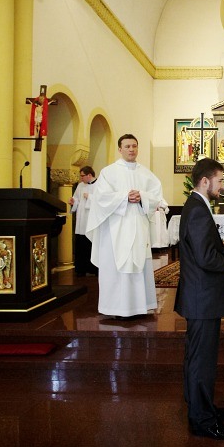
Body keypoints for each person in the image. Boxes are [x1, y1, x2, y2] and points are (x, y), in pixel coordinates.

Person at [175, 157, 224, 440]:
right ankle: (203, 421)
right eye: (220, 180)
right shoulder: (199, 210)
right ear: (206, 181)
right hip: (203, 298)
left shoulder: (195, 206)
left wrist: (218, 246)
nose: (222, 185)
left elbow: (201, 247)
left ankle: (200, 406)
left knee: (196, 357)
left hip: (199, 297)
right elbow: (206, 259)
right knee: (202, 360)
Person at [86, 134, 163, 320]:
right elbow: (101, 198)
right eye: (127, 146)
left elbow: (156, 196)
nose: (131, 149)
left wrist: (142, 196)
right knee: (115, 268)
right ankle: (116, 308)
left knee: (139, 265)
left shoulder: (146, 173)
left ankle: (139, 306)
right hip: (115, 230)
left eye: (134, 146)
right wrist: (124, 196)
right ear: (120, 149)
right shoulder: (108, 172)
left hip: (138, 228)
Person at [69, 165, 98, 277]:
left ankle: (93, 269)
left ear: (89, 175)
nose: (81, 178)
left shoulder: (99, 184)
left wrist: (90, 197)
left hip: (91, 219)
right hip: (81, 219)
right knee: (81, 243)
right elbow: (77, 198)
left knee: (91, 244)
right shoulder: (81, 185)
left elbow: (102, 200)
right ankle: (81, 269)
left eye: (82, 176)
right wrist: (73, 201)